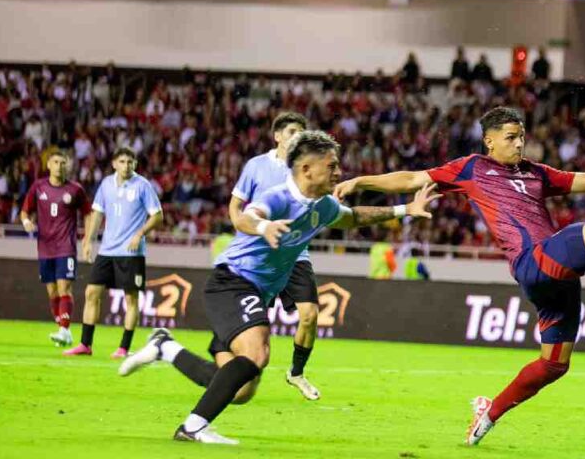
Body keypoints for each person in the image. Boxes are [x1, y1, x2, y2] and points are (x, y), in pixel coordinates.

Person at [334, 107, 585, 446]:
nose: (519, 143)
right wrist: (361, 181)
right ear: (489, 140)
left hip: (556, 278)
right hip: (532, 262)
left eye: (522, 136)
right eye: (510, 137)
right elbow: (412, 178)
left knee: (554, 364)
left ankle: (489, 413)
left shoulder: (537, 173)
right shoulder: (471, 169)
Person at [117, 131, 440, 444]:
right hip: (233, 282)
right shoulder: (279, 198)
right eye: (331, 165)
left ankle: (165, 348)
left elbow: (351, 217)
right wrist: (263, 226)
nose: (339, 172)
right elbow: (247, 216)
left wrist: (404, 210)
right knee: (258, 352)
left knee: (240, 389)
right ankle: (192, 427)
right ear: (306, 169)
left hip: (255, 292)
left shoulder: (322, 205)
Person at [227, 111, 323, 400]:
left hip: (295, 253)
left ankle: (296, 372)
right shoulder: (256, 166)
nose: (298, 137)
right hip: (260, 255)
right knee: (253, 328)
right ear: (278, 136)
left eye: (302, 133)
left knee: (310, 314)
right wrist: (247, 228)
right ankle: (233, 367)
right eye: (293, 131)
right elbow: (236, 207)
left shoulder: (306, 169)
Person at [64, 147, 164, 358]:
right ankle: (85, 344)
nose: (126, 165)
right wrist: (89, 239)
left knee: (131, 300)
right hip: (107, 250)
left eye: (130, 162)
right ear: (114, 164)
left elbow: (157, 216)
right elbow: (98, 213)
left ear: (135, 164)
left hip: (131, 252)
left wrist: (140, 234)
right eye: (122, 161)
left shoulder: (143, 186)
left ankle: (124, 348)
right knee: (92, 293)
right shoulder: (106, 184)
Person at [20, 147, 91, 347]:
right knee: (52, 292)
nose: (59, 166)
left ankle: (64, 329)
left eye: (63, 163)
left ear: (67, 165)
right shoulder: (38, 187)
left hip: (65, 246)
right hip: (44, 247)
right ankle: (63, 328)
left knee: (64, 287)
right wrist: (26, 223)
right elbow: (25, 212)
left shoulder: (75, 189)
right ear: (48, 165)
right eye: (56, 163)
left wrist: (87, 237)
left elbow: (88, 213)